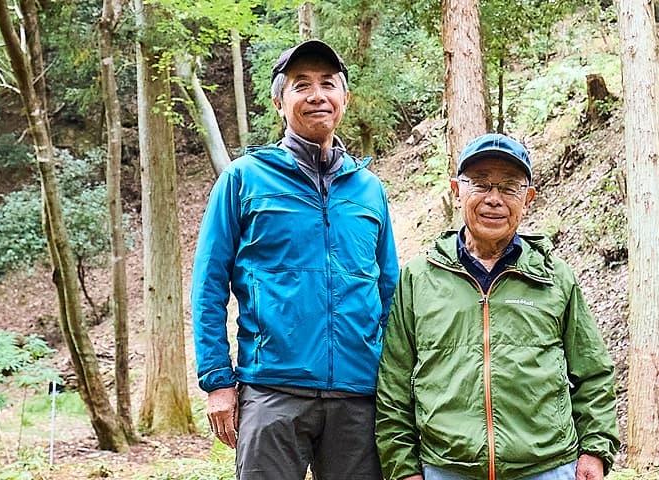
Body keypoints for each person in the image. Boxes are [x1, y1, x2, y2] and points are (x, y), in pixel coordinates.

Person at [191, 39, 398, 480]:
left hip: (357, 394)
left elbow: (389, 291)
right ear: (279, 102)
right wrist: (218, 381)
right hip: (271, 390)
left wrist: (394, 380)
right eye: (301, 84)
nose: (316, 94)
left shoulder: (369, 189)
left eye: (328, 84)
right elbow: (209, 282)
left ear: (345, 98)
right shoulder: (244, 179)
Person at [375, 133, 619, 480]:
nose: (494, 199)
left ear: (528, 199)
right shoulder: (418, 278)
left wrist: (595, 450)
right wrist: (403, 468)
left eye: (508, 188)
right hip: (446, 469)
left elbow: (592, 372)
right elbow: (394, 383)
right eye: (481, 184)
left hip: (547, 468)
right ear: (457, 190)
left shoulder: (554, 277)